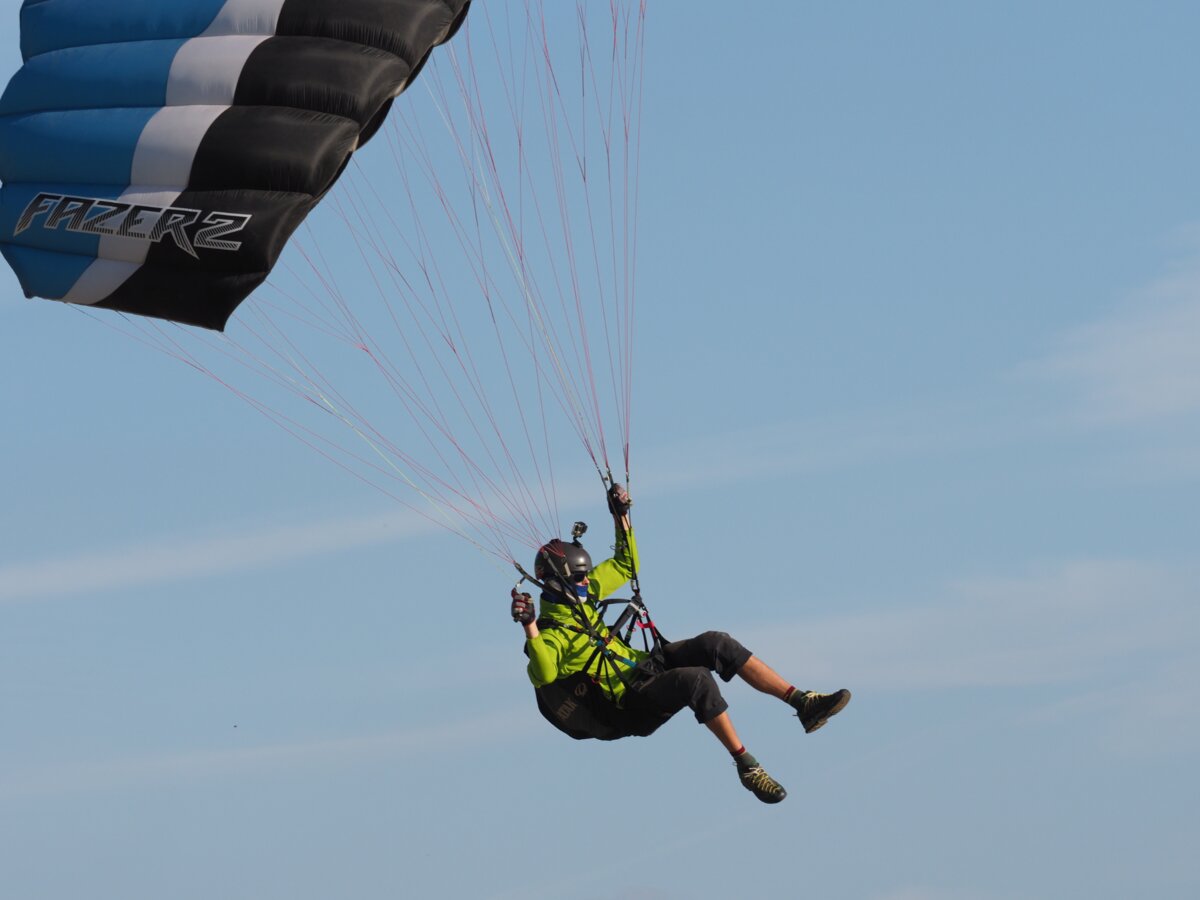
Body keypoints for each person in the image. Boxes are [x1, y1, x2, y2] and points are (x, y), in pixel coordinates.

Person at [510, 484, 851, 804]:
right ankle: (747, 765)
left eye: (586, 574)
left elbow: (626, 564)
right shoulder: (553, 632)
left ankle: (803, 703)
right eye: (579, 577)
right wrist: (530, 627)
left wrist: (620, 517)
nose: (587, 580)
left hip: (645, 666)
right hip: (629, 703)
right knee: (696, 679)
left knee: (715, 643)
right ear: (558, 582)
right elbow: (543, 673)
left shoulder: (588, 592)